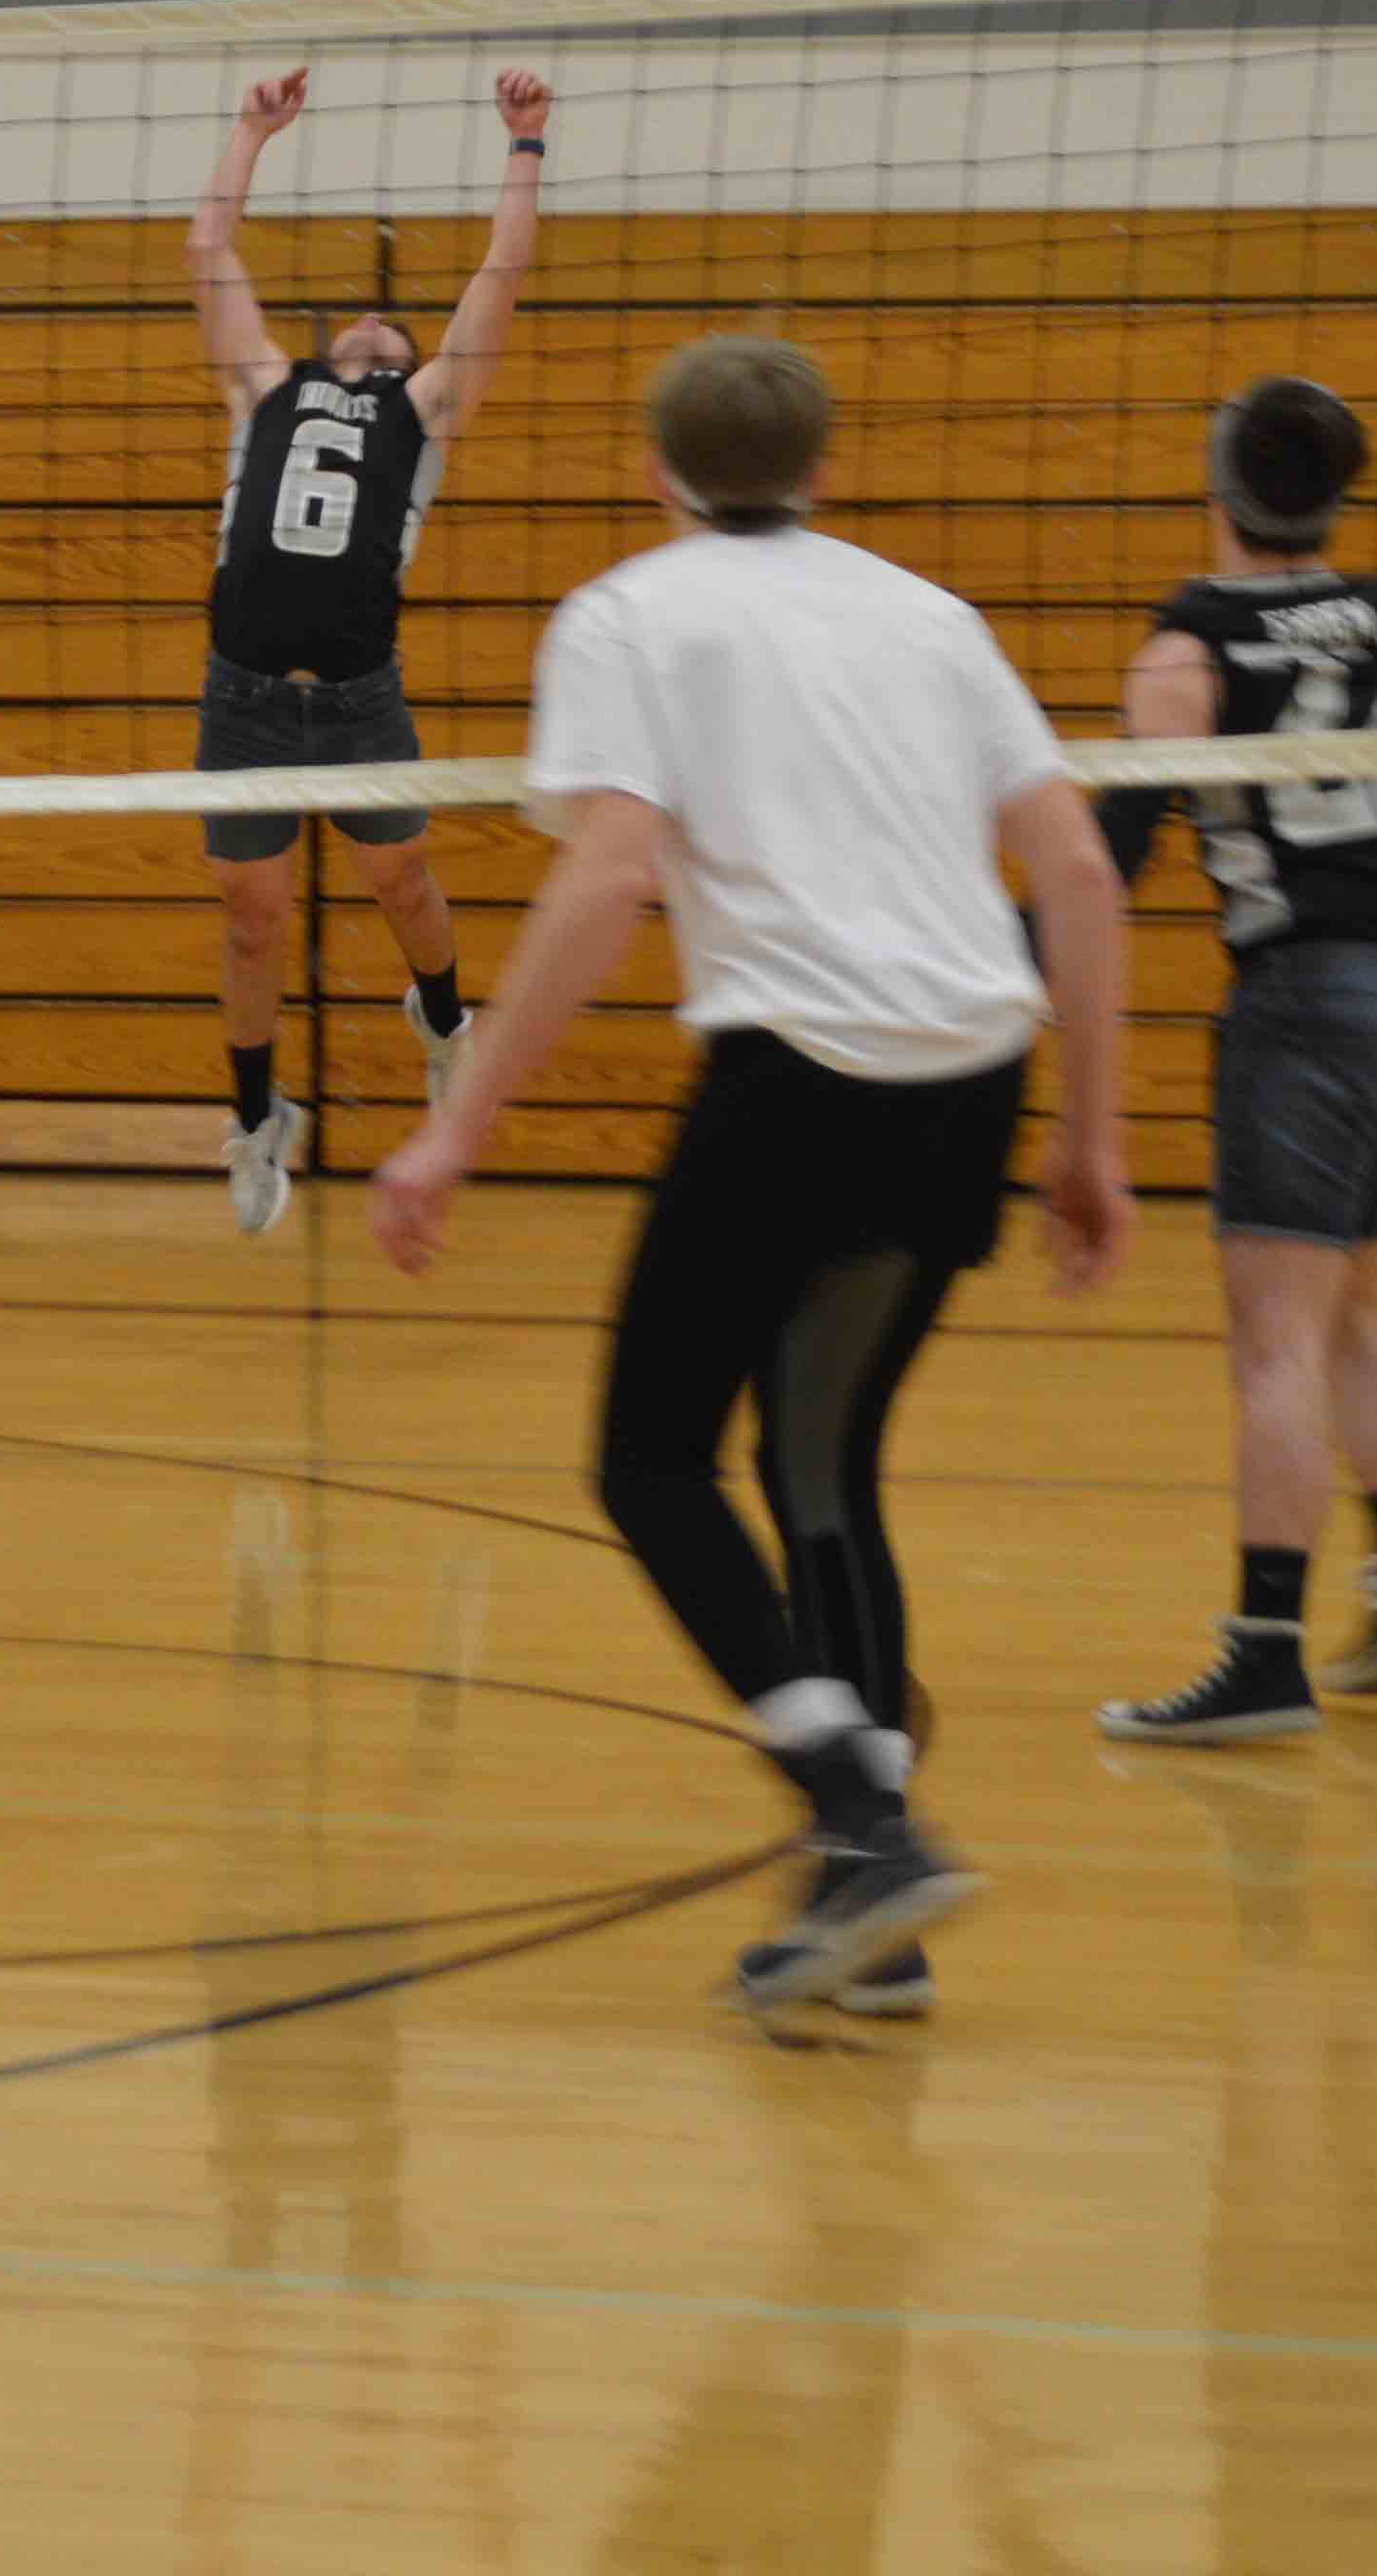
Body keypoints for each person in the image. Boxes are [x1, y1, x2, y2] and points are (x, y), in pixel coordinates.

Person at [371, 337, 1131, 2018]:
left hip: (801, 1077)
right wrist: (1090, 1137)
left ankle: (865, 1816)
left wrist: (458, 1123)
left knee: (651, 1463)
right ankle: (880, 1923)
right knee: (820, 1461)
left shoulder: (633, 616)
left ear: (655, 470)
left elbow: (609, 876)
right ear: (823, 469)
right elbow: (1075, 864)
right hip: (969, 1077)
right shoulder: (931, 617)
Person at [1087, 381, 1377, 1743]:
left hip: (1302, 1003)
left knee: (1273, 1342)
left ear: (1216, 495)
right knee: (1348, 1320)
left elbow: (1110, 860)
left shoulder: (1185, 650)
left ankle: (1265, 1654)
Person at [185, 66, 551, 1232]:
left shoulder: (424, 410)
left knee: (400, 876)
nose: (369, 327)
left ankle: (443, 1018)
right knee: (252, 917)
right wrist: (249, 132)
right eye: (358, 323)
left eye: (390, 331)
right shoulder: (266, 386)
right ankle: (257, 1118)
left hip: (355, 697)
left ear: (405, 359)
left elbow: (501, 275)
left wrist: (525, 145)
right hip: (243, 698)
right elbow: (208, 253)